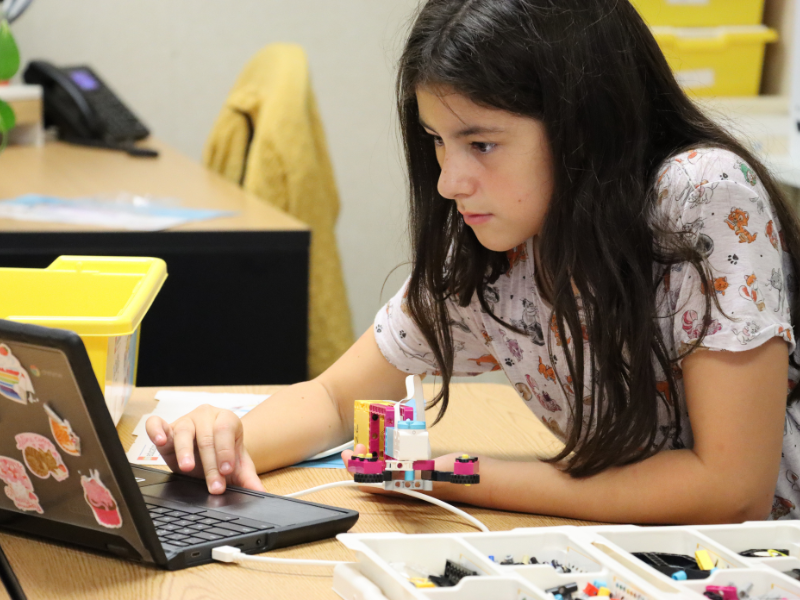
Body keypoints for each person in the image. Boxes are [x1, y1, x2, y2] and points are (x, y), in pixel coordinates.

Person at [147, 0, 800, 523]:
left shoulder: (699, 194)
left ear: (585, 125)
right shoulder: (499, 248)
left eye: (482, 143)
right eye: (437, 141)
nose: (448, 182)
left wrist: (453, 475)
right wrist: (224, 441)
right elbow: (332, 399)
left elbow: (730, 490)